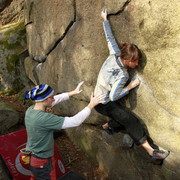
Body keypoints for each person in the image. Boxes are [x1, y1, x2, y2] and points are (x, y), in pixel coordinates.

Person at [94, 9, 170, 160]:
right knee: (130, 120)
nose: (136, 65)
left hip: (96, 98)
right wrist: (130, 86)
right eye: (134, 62)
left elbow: (109, 38)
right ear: (128, 60)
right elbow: (115, 95)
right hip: (104, 102)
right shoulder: (123, 75)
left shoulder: (115, 53)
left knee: (122, 118)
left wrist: (105, 20)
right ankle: (151, 152)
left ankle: (107, 127)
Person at [23, 82, 105, 180]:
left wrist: (72, 93)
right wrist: (90, 105)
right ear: (44, 100)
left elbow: (52, 101)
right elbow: (74, 121)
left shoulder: (31, 110)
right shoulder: (44, 118)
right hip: (42, 162)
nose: (53, 99)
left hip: (31, 156)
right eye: (51, 97)